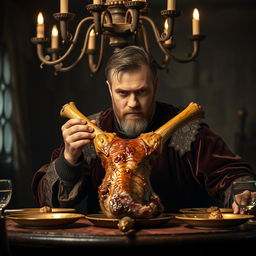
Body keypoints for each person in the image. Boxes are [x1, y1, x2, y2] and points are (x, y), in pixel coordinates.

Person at [32, 45, 256, 215]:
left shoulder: (187, 130)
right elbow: (50, 205)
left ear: (155, 86)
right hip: (105, 248)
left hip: (178, 247)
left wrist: (242, 193)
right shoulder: (89, 131)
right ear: (110, 90)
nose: (133, 103)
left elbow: (232, 174)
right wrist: (69, 159)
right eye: (123, 93)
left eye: (141, 92)